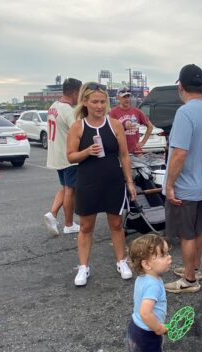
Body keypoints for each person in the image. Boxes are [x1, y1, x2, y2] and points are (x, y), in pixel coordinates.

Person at [67, 82, 136, 287]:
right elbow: (70, 157)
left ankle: (121, 261)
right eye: (95, 101)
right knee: (87, 226)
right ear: (85, 102)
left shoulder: (114, 124)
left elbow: (124, 155)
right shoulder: (78, 126)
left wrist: (130, 181)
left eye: (103, 102)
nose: (99, 106)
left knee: (116, 224)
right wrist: (87, 152)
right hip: (88, 182)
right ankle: (83, 267)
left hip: (113, 181)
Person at [163, 64, 202, 294]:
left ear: (181, 86)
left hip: (185, 186)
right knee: (197, 232)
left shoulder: (185, 112)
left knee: (186, 235)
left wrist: (169, 184)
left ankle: (189, 280)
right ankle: (194, 268)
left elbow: (180, 152)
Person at [125, 234, 173, 352]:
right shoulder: (154, 284)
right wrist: (158, 328)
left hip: (134, 328)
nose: (169, 258)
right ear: (146, 264)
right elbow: (146, 312)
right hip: (147, 333)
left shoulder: (143, 277)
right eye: (163, 255)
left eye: (168, 253)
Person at [44, 78, 82, 236]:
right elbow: (79, 130)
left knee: (66, 187)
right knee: (70, 191)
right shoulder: (69, 110)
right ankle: (68, 224)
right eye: (80, 92)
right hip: (68, 156)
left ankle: (52, 214)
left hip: (56, 155)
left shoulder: (54, 106)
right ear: (74, 92)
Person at [109, 87, 153, 155]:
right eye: (124, 97)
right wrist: (124, 127)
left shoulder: (137, 111)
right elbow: (110, 131)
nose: (126, 99)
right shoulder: (113, 112)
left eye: (128, 96)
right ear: (118, 97)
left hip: (136, 151)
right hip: (120, 151)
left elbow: (150, 126)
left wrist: (142, 143)